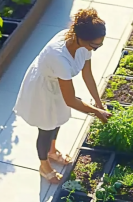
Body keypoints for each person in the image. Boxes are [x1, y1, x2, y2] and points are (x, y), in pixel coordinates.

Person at [14, 8, 111, 184]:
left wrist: (98, 102)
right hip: (43, 89)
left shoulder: (83, 44)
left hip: (59, 84)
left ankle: (52, 150)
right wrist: (96, 112)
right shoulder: (59, 57)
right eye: (95, 46)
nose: (96, 49)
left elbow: (87, 74)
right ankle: (44, 165)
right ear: (82, 38)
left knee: (57, 119)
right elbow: (70, 100)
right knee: (46, 127)